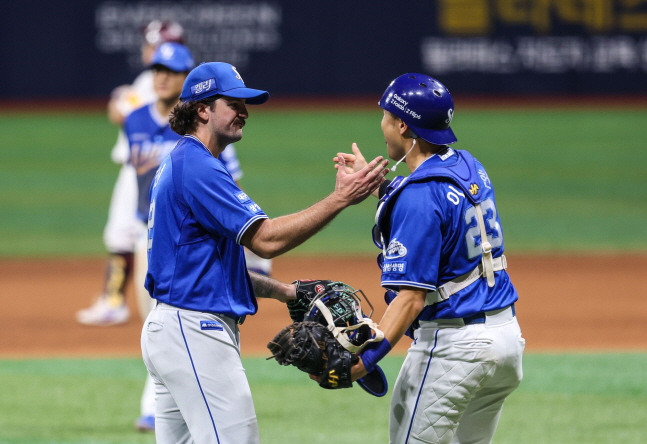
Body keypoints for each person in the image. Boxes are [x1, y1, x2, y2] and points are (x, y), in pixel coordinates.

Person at [141, 61, 389, 444]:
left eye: (246, 104)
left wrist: (285, 292)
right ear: (203, 109)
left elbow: (209, 267)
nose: (244, 111)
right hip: (193, 332)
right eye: (233, 103)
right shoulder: (197, 166)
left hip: (175, 329)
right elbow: (267, 239)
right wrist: (341, 199)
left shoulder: (185, 160)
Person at [337, 73, 525, 444]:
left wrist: (365, 361)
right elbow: (437, 211)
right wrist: (380, 186)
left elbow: (410, 298)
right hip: (505, 342)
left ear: (402, 124)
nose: (383, 125)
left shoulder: (419, 197)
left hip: (457, 350)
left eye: (386, 117)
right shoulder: (469, 166)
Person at [76, 20, 186, 327]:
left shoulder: (160, 81)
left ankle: (117, 301)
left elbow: (118, 110)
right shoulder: (151, 78)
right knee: (124, 233)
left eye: (151, 44)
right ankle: (115, 299)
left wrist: (123, 99)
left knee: (126, 232)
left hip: (150, 166)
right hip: (138, 164)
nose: (147, 50)